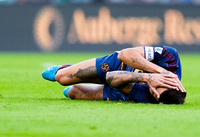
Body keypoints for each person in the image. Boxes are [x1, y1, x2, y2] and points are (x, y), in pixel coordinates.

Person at [42, 46, 186, 104]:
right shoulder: (170, 58)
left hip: (120, 88)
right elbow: (125, 54)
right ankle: (65, 69)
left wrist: (147, 78)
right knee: (62, 78)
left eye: (155, 94)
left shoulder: (149, 96)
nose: (153, 90)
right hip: (118, 64)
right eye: (158, 85)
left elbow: (112, 78)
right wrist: (159, 72)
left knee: (72, 92)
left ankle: (83, 78)